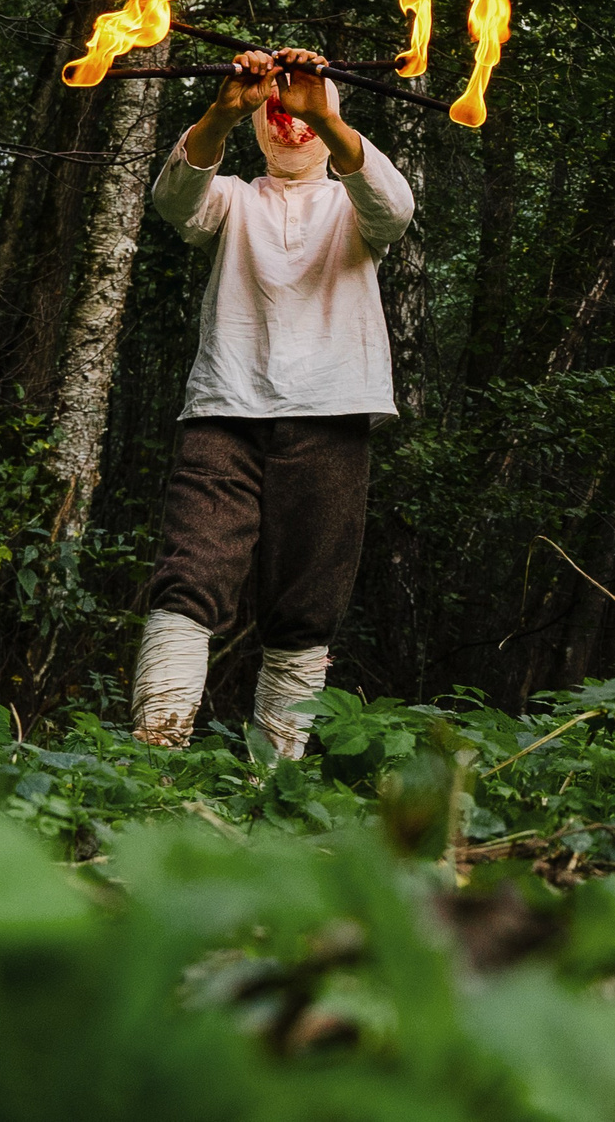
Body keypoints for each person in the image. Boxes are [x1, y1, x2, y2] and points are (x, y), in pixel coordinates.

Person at [127, 49, 415, 758]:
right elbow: (175, 201)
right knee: (189, 576)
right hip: (223, 411)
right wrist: (225, 108)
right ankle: (150, 760)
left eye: (308, 109)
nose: (291, 119)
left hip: (333, 414)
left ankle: (274, 781)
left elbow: (395, 209)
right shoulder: (233, 197)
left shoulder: (353, 201)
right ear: (259, 126)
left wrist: (324, 114)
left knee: (307, 606)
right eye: (277, 110)